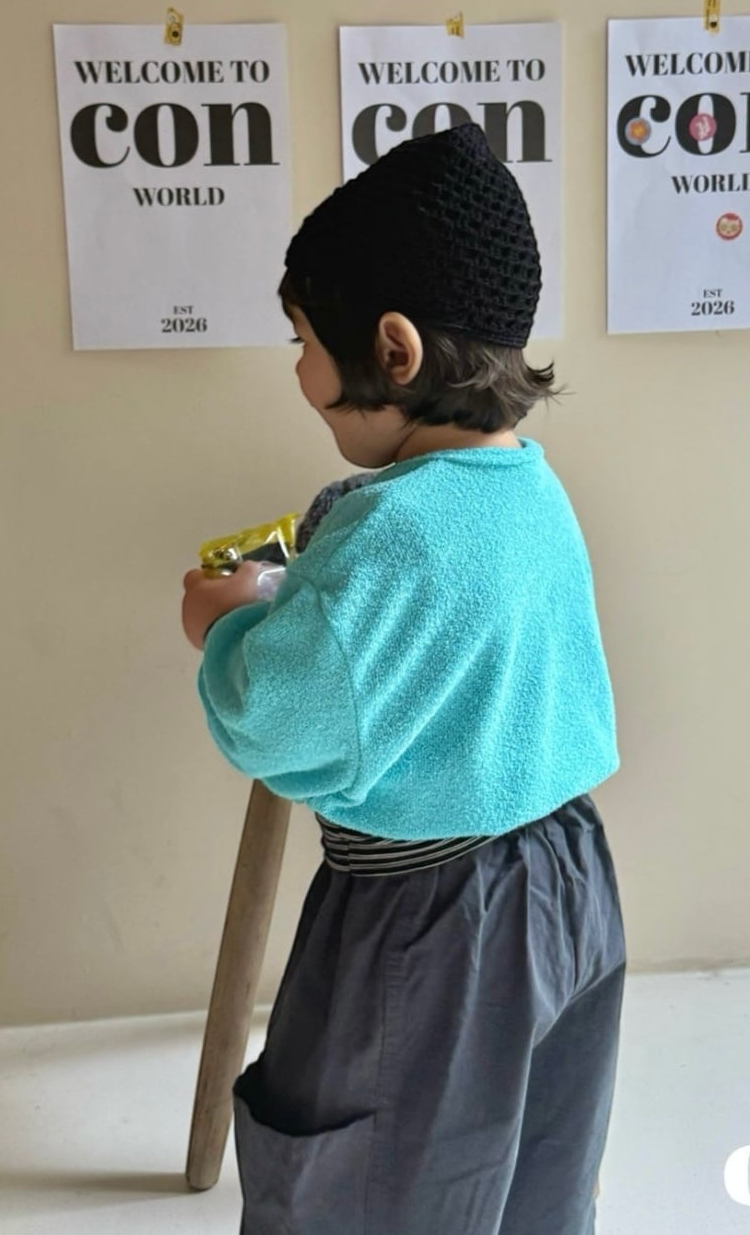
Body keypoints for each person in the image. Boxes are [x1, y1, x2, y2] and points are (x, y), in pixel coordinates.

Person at [181, 122, 626, 1235]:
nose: (298, 372)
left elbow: (280, 718)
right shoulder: (531, 486)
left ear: (392, 349)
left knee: (369, 1183)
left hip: (432, 917)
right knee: (532, 1169)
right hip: (569, 876)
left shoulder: (390, 530)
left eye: (301, 341)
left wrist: (226, 627)